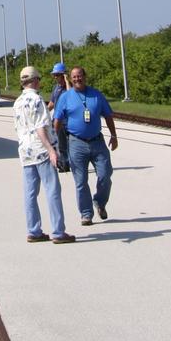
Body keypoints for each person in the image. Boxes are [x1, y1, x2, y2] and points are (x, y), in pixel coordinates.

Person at [13, 66, 75, 244]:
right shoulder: (37, 100)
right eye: (38, 79)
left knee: (30, 193)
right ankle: (58, 232)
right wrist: (51, 150)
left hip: (25, 152)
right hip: (41, 151)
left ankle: (33, 230)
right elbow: (40, 128)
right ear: (35, 80)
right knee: (52, 190)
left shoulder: (17, 102)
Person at [53, 66, 118, 225]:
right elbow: (57, 121)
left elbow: (108, 116)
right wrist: (55, 142)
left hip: (97, 142)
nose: (77, 79)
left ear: (85, 77)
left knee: (105, 175)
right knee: (81, 181)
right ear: (71, 78)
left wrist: (114, 135)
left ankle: (100, 202)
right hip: (76, 143)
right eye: (74, 77)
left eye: (80, 76)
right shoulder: (65, 97)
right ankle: (86, 213)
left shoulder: (96, 95)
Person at [47, 62, 70, 172]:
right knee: (60, 143)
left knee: (70, 144)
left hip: (68, 120)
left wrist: (67, 81)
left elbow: (72, 96)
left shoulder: (69, 87)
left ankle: (71, 163)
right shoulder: (56, 88)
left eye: (57, 75)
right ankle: (63, 164)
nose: (55, 77)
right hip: (58, 120)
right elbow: (52, 102)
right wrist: (45, 112)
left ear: (63, 74)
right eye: (54, 75)